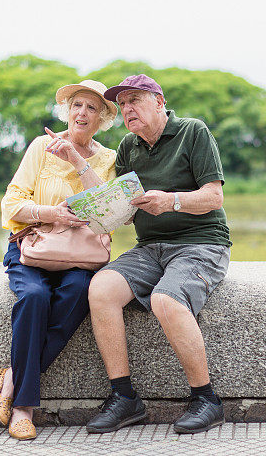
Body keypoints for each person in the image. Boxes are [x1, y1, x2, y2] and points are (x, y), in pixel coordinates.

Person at [85, 74, 231, 435]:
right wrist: (95, 210)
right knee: (100, 289)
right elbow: (123, 210)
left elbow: (214, 197)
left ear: (159, 101)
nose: (127, 109)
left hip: (201, 243)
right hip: (149, 249)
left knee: (167, 299)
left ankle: (206, 400)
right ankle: (125, 399)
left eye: (135, 100)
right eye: (122, 105)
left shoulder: (193, 131)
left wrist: (171, 200)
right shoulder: (127, 147)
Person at [0, 79, 117, 440]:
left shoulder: (108, 158)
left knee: (79, 293)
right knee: (34, 297)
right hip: (31, 248)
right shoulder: (40, 146)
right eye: (77, 105)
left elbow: (109, 210)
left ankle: (13, 377)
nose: (82, 113)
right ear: (67, 111)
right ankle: (23, 407)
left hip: (79, 257)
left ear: (103, 118)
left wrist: (77, 159)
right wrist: (52, 214)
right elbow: (11, 204)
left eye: (92, 108)